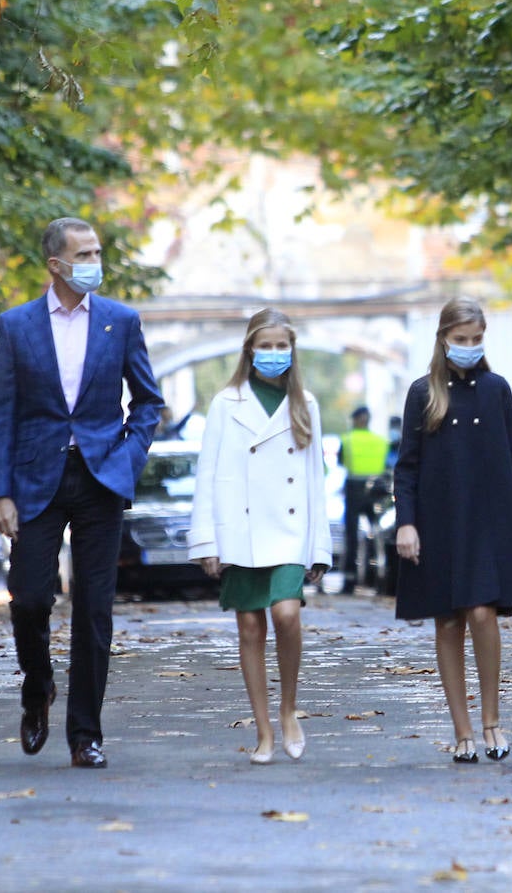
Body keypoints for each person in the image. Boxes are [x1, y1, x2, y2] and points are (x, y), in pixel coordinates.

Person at [0, 217, 163, 769]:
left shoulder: (120, 321)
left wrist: (127, 458)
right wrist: (1, 493)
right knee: (31, 597)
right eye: (83, 254)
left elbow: (149, 403)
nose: (94, 261)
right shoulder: (15, 327)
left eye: (97, 252)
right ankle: (38, 689)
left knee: (93, 611)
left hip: (101, 480)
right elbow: (0, 416)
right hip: (35, 483)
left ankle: (85, 733)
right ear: (55, 265)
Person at [393, 296, 512, 763]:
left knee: (482, 613)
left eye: (476, 340)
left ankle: (492, 720)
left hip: (490, 518)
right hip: (438, 520)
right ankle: (462, 731)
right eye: (460, 340)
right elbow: (406, 466)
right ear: (443, 339)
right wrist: (407, 523)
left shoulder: (497, 389)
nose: (469, 347)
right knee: (448, 620)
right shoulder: (423, 393)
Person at [188, 308, 331, 764]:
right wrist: (206, 541)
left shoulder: (306, 403)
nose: (273, 354)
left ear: (292, 350)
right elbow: (207, 474)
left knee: (287, 614)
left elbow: (314, 480)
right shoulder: (225, 402)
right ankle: (264, 732)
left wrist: (320, 546)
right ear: (250, 349)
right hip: (240, 529)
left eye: (280, 346)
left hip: (290, 530)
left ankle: (289, 710)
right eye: (264, 346)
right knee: (250, 627)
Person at [340, 404, 389, 593]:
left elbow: (342, 462)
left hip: (354, 489)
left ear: (356, 419)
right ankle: (380, 575)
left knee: (351, 535)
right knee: (378, 534)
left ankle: (350, 580)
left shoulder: (348, 439)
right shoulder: (380, 441)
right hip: (376, 489)